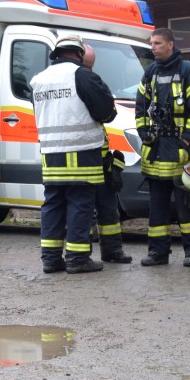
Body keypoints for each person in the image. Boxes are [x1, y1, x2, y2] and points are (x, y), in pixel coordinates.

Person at [29, 34, 116, 273]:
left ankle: (50, 258)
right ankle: (77, 259)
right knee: (80, 204)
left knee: (53, 205)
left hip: (50, 155)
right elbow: (106, 111)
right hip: (81, 152)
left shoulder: (38, 79)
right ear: (79, 54)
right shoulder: (82, 75)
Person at [135, 28, 190, 267]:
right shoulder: (150, 73)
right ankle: (157, 253)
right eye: (151, 43)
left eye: (157, 43)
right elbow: (140, 107)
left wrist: (187, 138)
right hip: (155, 151)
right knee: (157, 207)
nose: (153, 47)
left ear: (170, 44)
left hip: (180, 151)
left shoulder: (187, 72)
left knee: (186, 205)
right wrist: (143, 131)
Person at [82, 44, 132, 264]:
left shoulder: (92, 81)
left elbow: (105, 116)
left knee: (108, 208)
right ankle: (81, 255)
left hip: (100, 157)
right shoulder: (79, 83)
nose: (89, 71)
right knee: (82, 209)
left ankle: (112, 251)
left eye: (91, 67)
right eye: (86, 66)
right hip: (82, 158)